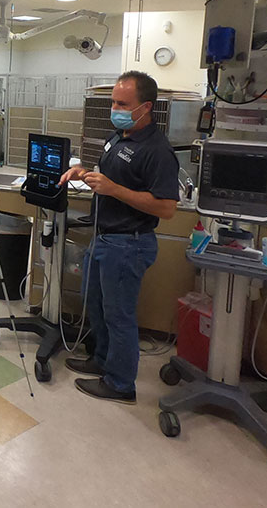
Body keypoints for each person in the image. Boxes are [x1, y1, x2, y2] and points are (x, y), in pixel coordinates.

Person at [58, 71, 179, 404]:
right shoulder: (118, 136)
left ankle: (121, 383)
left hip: (129, 243)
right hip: (103, 238)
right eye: (113, 102)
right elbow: (110, 179)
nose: (115, 108)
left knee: (119, 314)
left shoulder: (157, 150)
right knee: (94, 302)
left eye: (123, 103)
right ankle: (101, 359)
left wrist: (114, 189)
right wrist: (82, 173)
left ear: (146, 107)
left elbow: (167, 208)